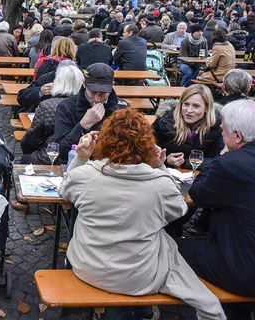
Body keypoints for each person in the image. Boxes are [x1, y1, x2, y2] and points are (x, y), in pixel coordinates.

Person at [59, 109, 226, 320]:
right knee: (165, 241)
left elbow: (65, 189)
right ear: (147, 144)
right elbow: (179, 210)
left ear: (104, 140)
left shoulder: (86, 175)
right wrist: (161, 168)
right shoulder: (159, 184)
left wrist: (82, 158)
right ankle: (144, 310)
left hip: (87, 267)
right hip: (139, 278)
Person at [177, 100, 255, 310]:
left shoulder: (232, 163)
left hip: (244, 270)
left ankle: (178, 307)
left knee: (171, 246)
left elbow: (197, 193)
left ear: (238, 136)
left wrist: (221, 157)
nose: (221, 134)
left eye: (224, 130)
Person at [52, 63, 121, 162]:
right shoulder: (66, 107)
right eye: (93, 93)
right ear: (84, 84)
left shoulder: (121, 108)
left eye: (102, 93)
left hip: (110, 166)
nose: (97, 99)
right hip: (77, 165)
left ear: (112, 86)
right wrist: (83, 125)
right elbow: (61, 151)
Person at [20, 62, 84, 165]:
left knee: (26, 159)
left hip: (52, 154)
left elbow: (32, 140)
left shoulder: (47, 105)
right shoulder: (87, 104)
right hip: (80, 154)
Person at [152, 84, 223, 170]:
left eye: (196, 106)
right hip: (166, 175)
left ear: (207, 108)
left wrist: (186, 162)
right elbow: (146, 153)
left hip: (201, 178)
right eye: (186, 104)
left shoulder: (216, 128)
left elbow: (219, 160)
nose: (189, 110)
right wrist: (166, 160)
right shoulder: (164, 122)